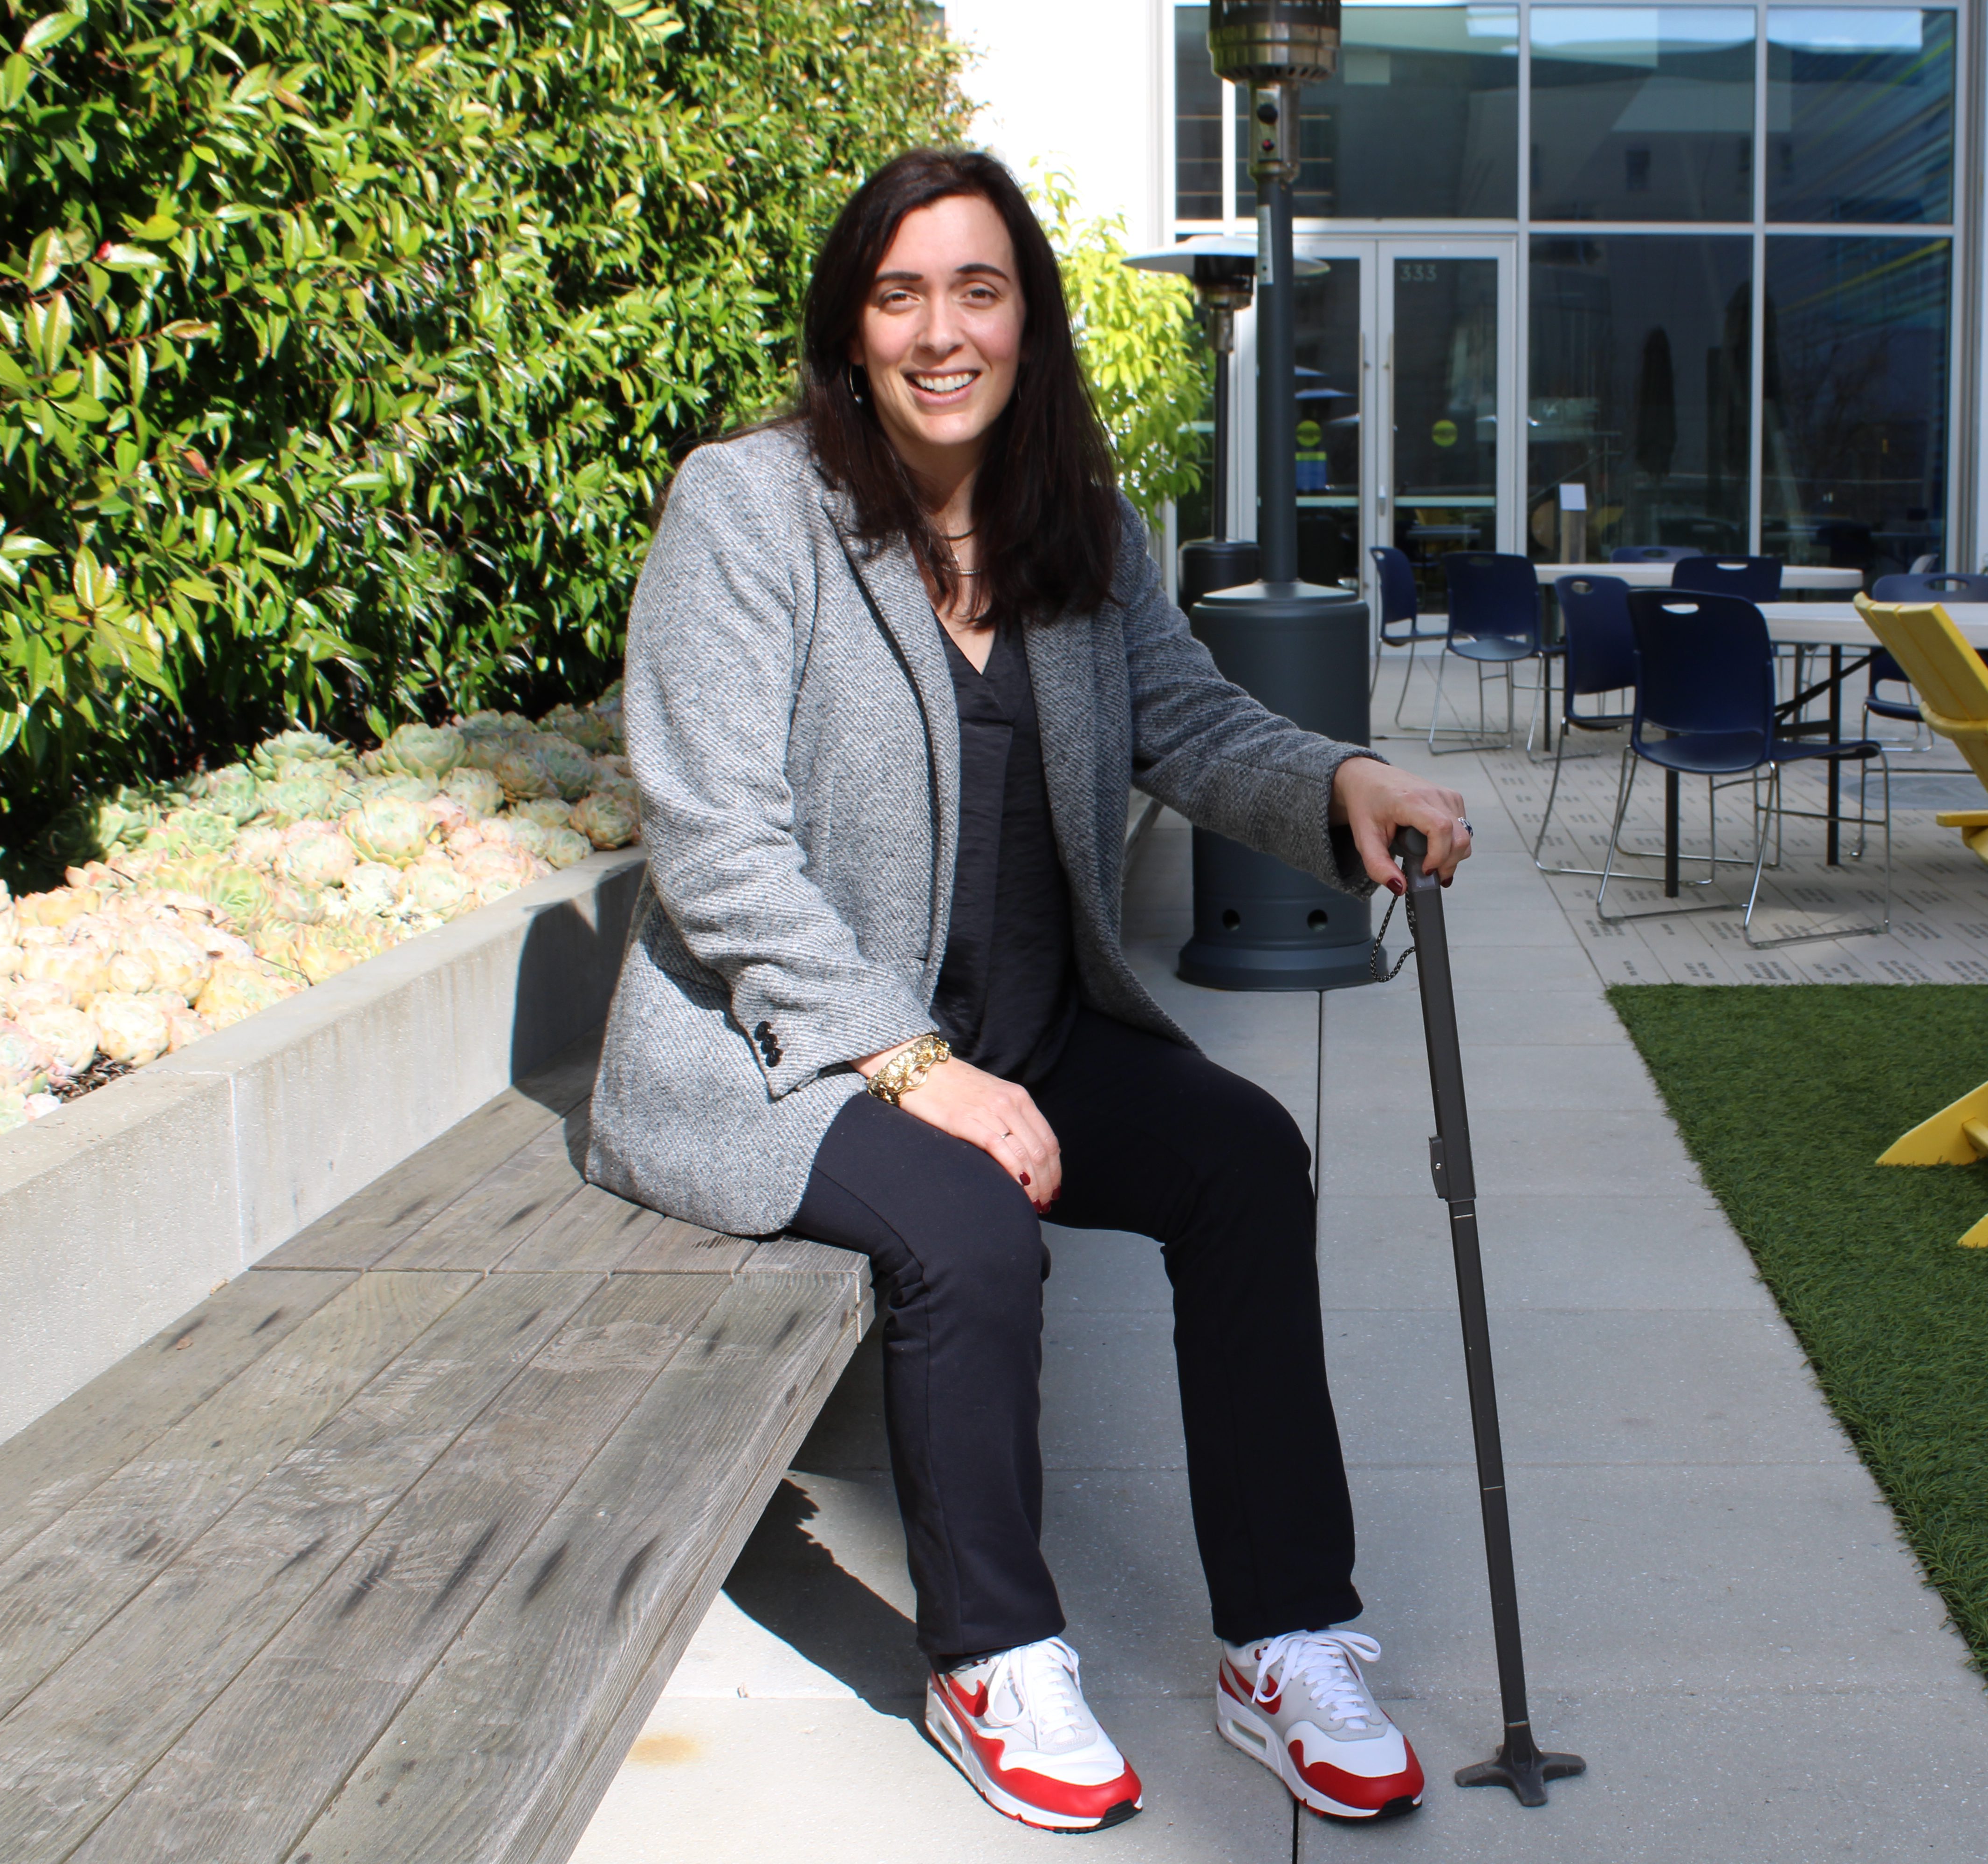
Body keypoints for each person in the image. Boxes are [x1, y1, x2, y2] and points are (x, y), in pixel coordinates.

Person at [585, 148, 1473, 1834]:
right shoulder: (750, 507)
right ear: (853, 326)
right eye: (902, 292)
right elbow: (714, 843)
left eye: (978, 290)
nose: (942, 331)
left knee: (1242, 1161)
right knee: (969, 1231)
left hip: (1024, 1032)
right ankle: (990, 1655)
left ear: (1027, 321)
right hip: (789, 1057)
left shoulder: (1077, 519)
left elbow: (1190, 724)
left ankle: (1282, 1636)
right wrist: (917, 1068)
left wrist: (1340, 782)